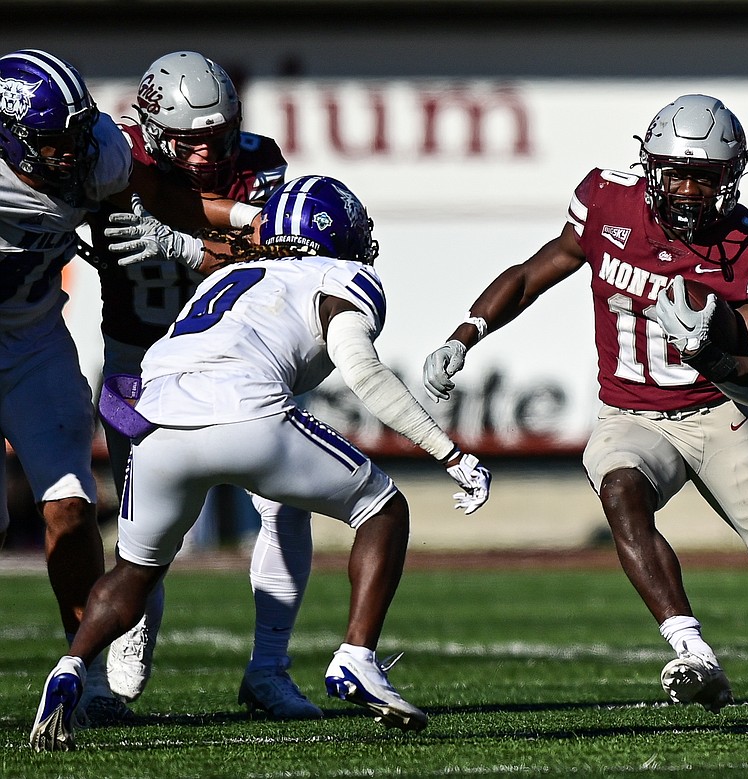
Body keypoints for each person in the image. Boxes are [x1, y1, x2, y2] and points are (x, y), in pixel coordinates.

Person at [421, 94, 748, 716]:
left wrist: (711, 358)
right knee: (621, 491)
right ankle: (690, 649)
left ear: (731, 179)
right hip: (629, 413)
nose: (690, 191)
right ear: (651, 168)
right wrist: (466, 333)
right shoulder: (605, 202)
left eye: (705, 178)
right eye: (677, 173)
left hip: (712, 413)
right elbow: (535, 272)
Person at [30, 175, 492, 752]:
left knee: (136, 569)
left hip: (157, 418)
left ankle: (71, 666)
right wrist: (448, 452)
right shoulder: (343, 277)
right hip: (247, 411)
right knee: (383, 508)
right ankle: (356, 657)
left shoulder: (224, 276)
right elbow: (365, 373)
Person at [89, 50, 320, 720]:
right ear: (156, 132)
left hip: (239, 359)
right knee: (143, 527)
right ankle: (122, 660)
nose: (208, 154)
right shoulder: (112, 156)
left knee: (286, 502)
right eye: (191, 143)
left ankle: (270, 668)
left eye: (217, 137)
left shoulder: (259, 160)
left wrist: (188, 244)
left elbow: (278, 251)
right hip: (138, 361)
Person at [0, 47, 138, 724]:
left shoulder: (101, 153)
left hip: (33, 341)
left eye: (77, 136)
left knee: (73, 505)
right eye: (54, 143)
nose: (71, 154)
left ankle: (88, 680)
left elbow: (138, 202)